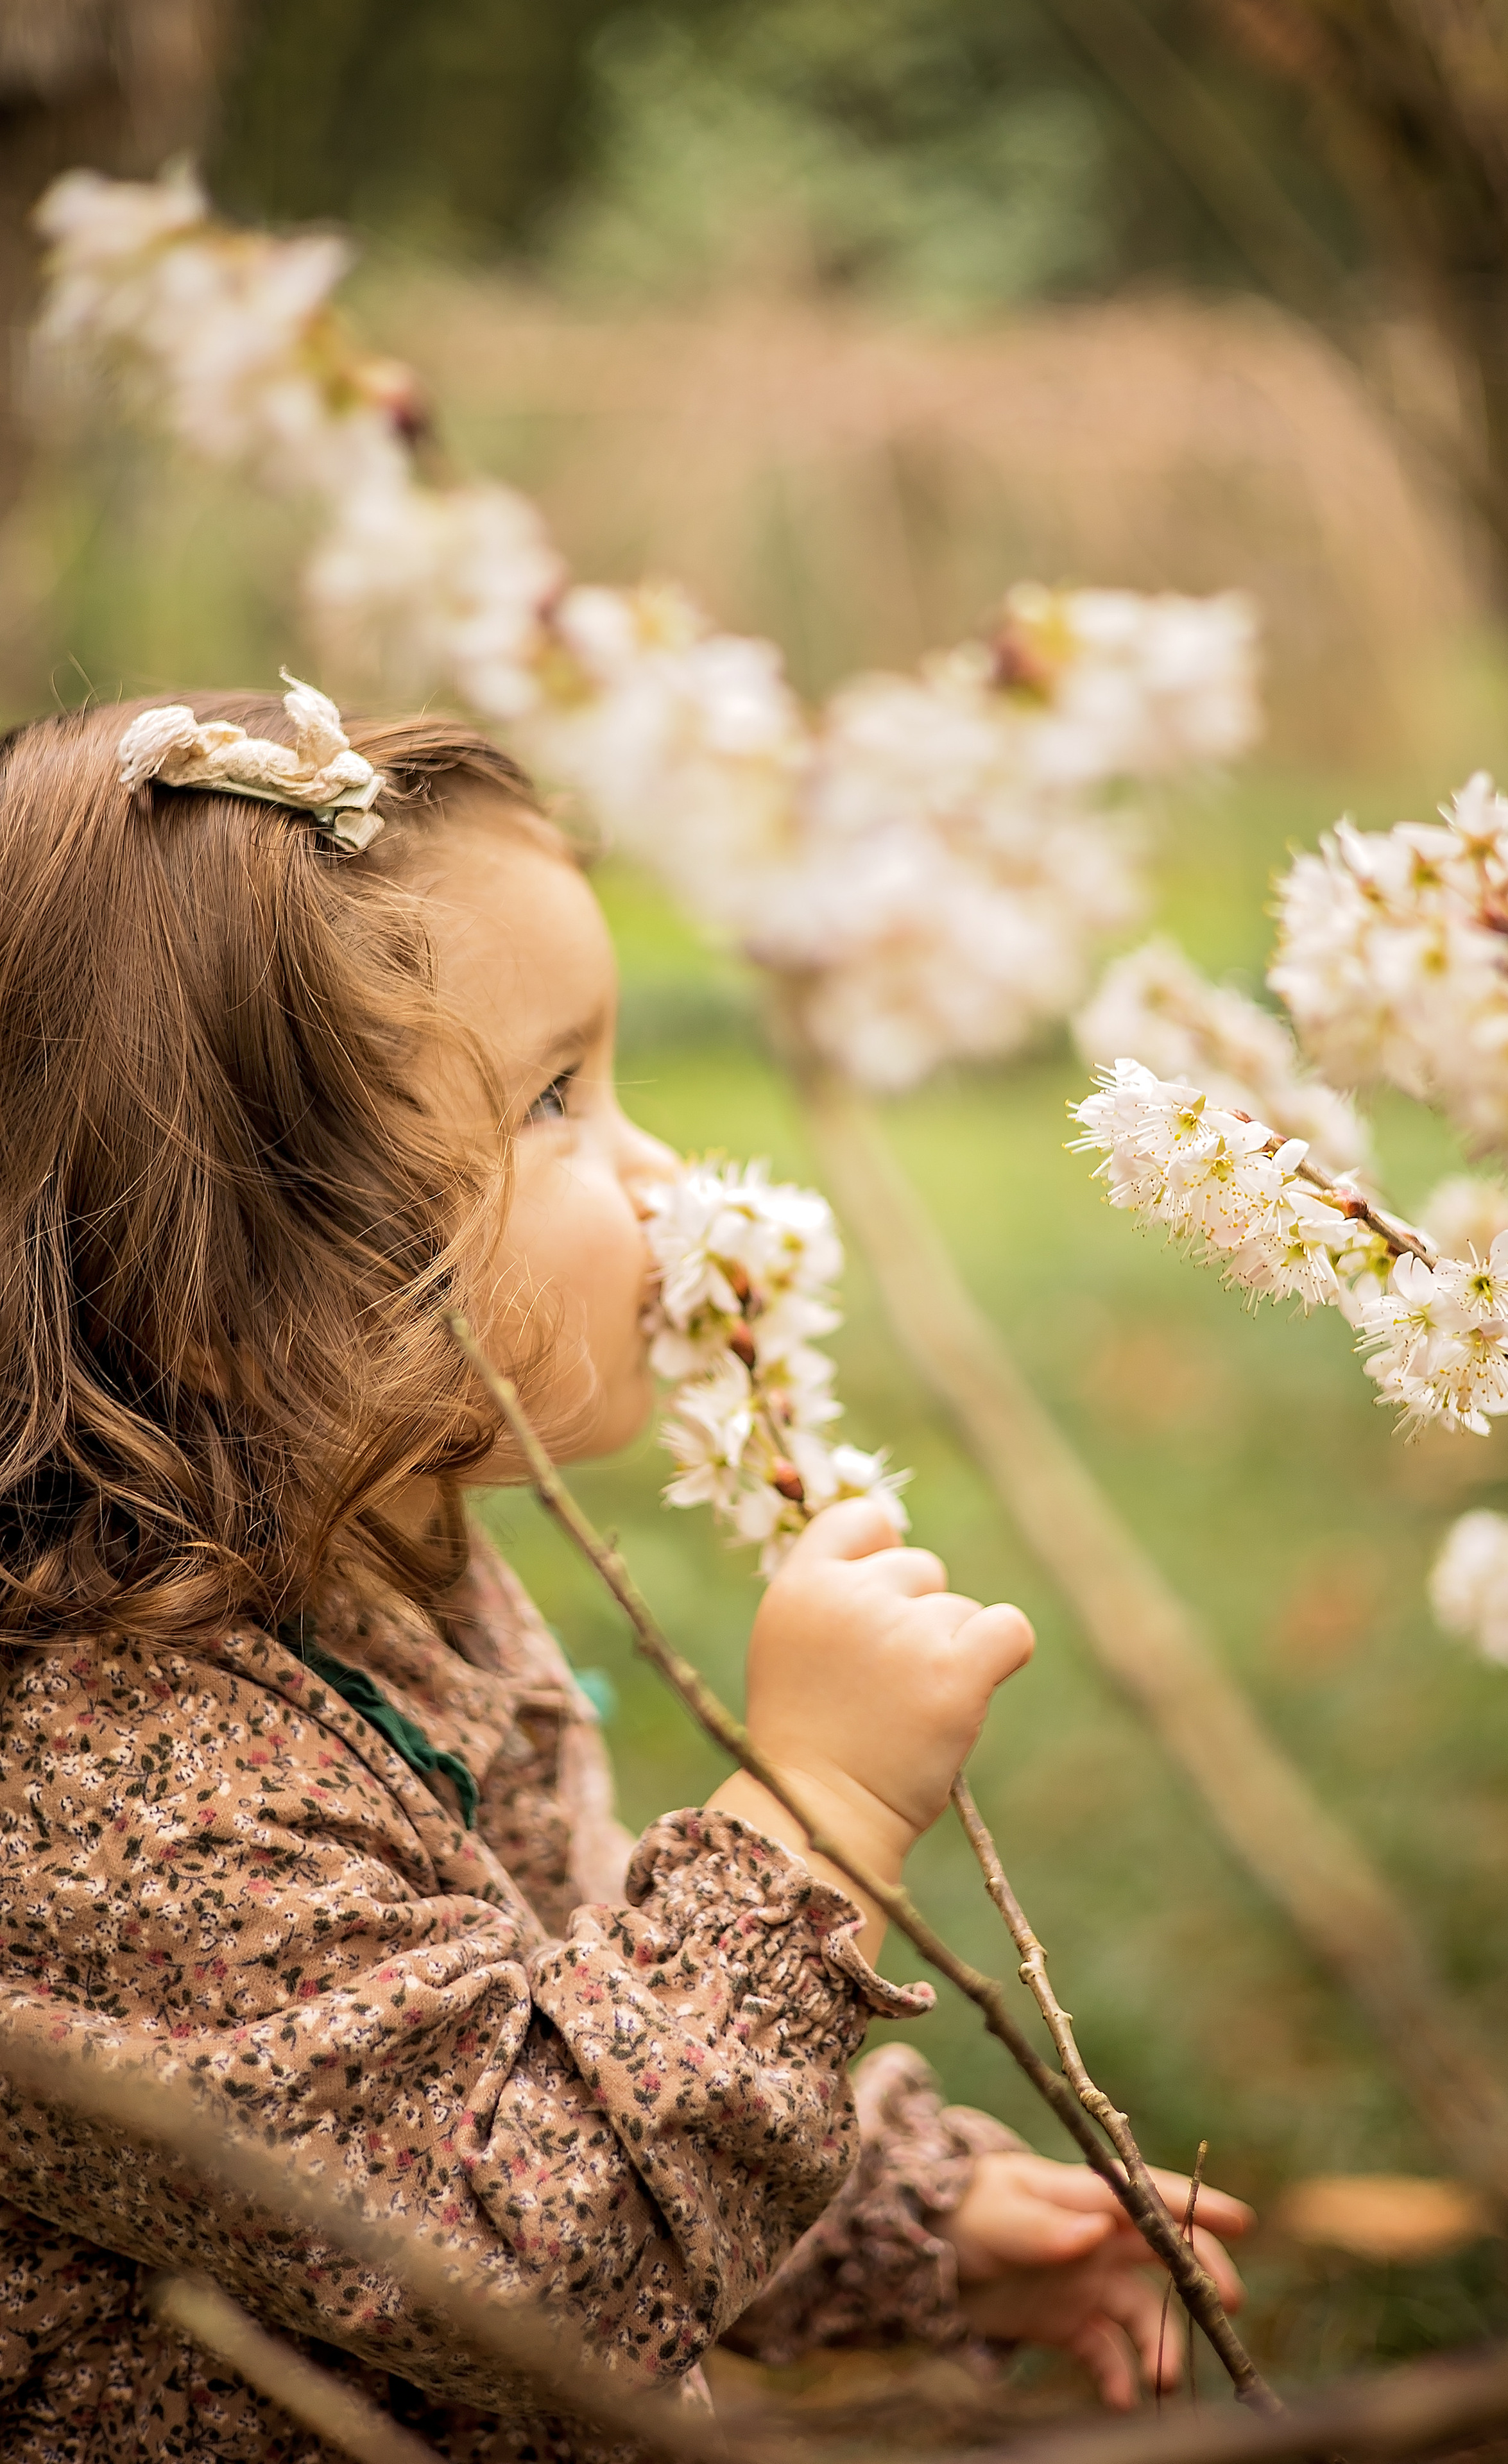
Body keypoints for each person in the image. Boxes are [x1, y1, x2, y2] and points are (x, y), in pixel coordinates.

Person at [0, 683, 1249, 2461]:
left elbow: (550, 2025)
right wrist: (810, 1807)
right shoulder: (117, 1799)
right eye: (560, 1101)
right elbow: (539, 2250)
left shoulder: (377, 1570)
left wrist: (903, 2223)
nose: (662, 1172)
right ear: (241, 1299)